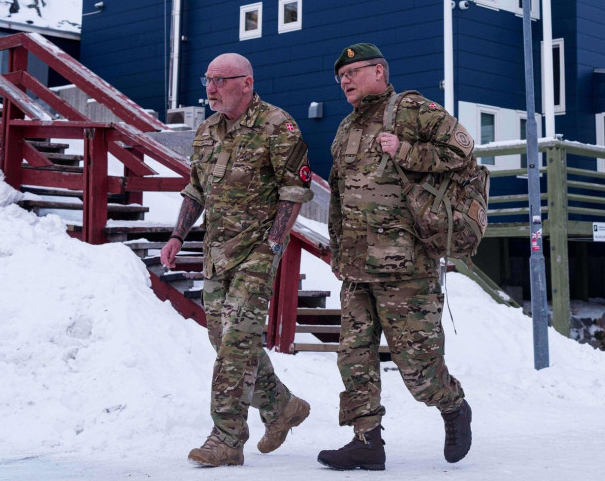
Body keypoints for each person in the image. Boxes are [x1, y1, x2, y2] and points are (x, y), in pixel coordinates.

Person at [317, 43, 473, 471]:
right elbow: (338, 197)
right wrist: (337, 248)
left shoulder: (412, 109)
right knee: (354, 357)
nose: (345, 80)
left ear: (380, 71)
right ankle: (366, 440)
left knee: (418, 367)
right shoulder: (346, 128)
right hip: (355, 267)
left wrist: (405, 150)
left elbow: (462, 150)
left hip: (405, 266)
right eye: (340, 76)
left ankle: (453, 405)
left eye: (354, 71)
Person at [161, 52, 315, 467]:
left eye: (220, 80)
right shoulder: (207, 130)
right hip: (216, 253)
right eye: (207, 80)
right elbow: (196, 189)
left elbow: (295, 191)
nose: (210, 89)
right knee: (223, 339)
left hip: (256, 254)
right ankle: (282, 406)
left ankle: (226, 437)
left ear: (246, 83)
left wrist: (272, 246)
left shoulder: (277, 125)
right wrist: (178, 234)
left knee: (235, 344)